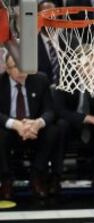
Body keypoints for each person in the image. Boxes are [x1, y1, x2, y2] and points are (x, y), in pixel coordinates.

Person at [0, 53, 60, 200]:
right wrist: (15, 124)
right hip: (10, 129)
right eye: (15, 67)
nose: (21, 71)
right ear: (7, 69)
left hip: (33, 128)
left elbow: (50, 110)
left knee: (53, 130)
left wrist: (38, 123)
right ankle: (6, 180)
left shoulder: (40, 79)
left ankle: (36, 175)